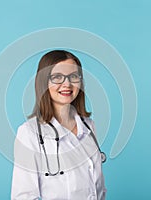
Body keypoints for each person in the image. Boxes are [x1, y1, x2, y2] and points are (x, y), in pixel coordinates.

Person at [11, 50, 106, 200]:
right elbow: (23, 197)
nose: (67, 84)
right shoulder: (29, 133)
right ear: (43, 82)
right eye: (57, 77)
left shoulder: (89, 126)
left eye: (74, 76)